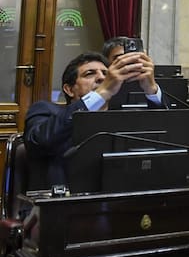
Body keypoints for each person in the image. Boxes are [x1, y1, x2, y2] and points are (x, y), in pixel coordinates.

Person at [24, 51, 165, 187]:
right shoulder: (47, 110)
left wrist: (151, 90)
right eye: (89, 74)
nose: (101, 78)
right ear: (69, 89)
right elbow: (39, 141)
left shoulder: (123, 117)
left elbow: (165, 137)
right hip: (65, 198)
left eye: (106, 74)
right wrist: (103, 92)